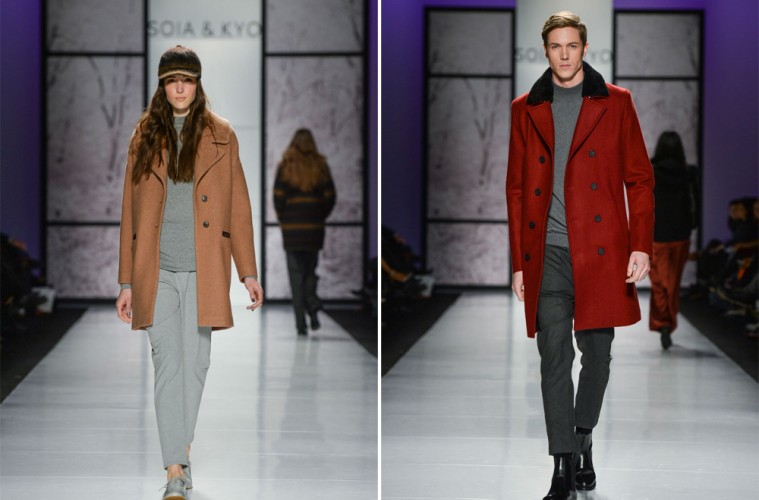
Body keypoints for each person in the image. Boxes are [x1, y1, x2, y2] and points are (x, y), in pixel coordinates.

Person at [505, 12, 654, 500]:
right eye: (556, 46)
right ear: (545, 50)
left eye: (572, 45)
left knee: (598, 357)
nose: (564, 54)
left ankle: (583, 434)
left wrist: (640, 244)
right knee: (553, 358)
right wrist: (518, 262)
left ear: (585, 48)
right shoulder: (525, 107)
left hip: (601, 253)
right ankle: (562, 466)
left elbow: (640, 178)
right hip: (546, 251)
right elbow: (516, 188)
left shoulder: (616, 102)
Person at [115, 45, 264, 500]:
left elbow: (238, 207)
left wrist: (248, 272)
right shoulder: (144, 135)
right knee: (167, 364)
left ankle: (180, 447)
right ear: (162, 86)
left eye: (187, 80)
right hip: (156, 267)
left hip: (205, 268)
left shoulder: (222, 135)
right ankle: (176, 469)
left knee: (196, 365)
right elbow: (129, 210)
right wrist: (126, 281)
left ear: (198, 85)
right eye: (172, 81)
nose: (179, 88)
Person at [273, 129, 335, 335]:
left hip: (292, 231)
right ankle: (313, 307)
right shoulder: (320, 166)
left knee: (296, 277)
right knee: (309, 273)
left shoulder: (286, 166)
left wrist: (285, 220)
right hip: (314, 230)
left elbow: (278, 198)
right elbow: (330, 197)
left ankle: (301, 325)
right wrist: (318, 216)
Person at [648, 131, 697, 349]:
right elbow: (696, 202)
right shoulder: (690, 173)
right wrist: (691, 225)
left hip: (655, 234)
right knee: (673, 283)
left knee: (659, 284)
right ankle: (668, 323)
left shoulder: (650, 170)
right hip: (680, 234)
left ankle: (663, 323)